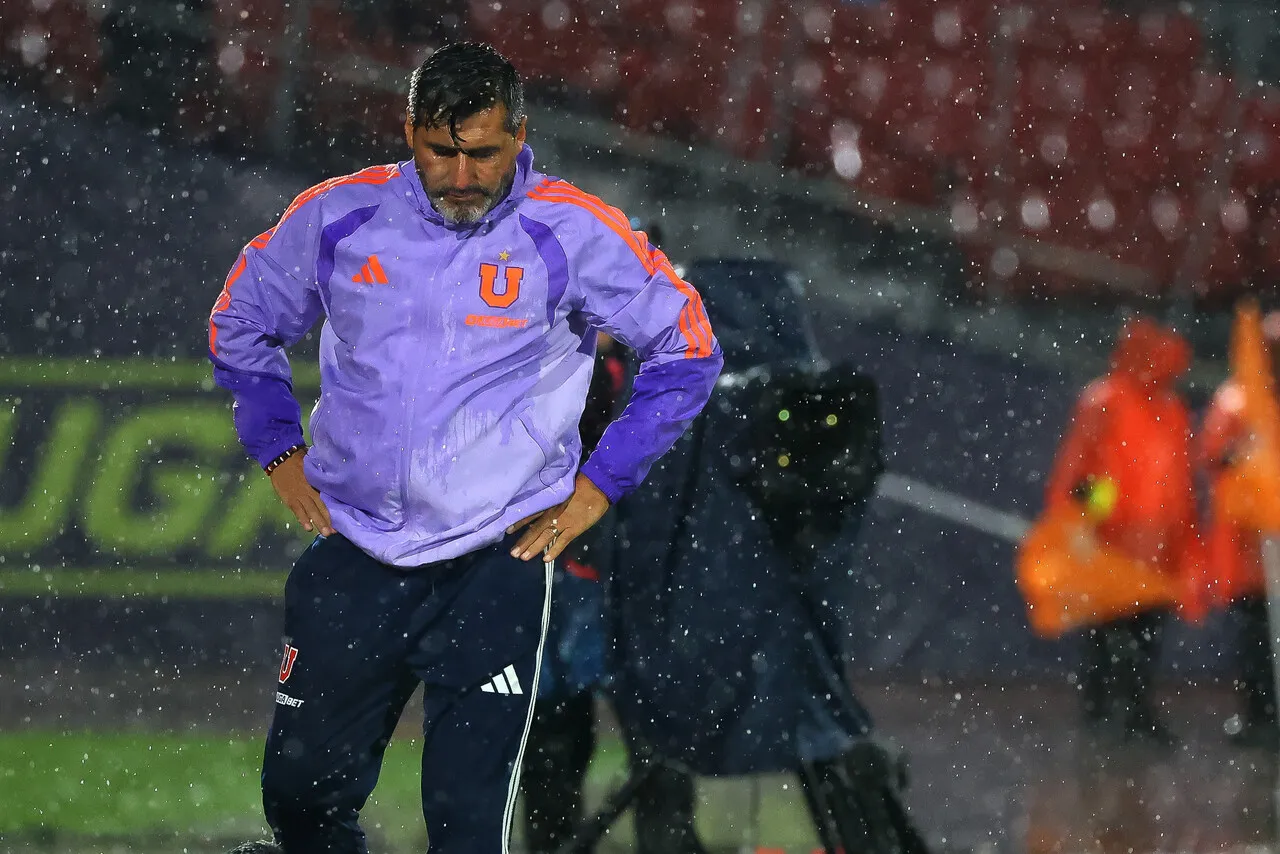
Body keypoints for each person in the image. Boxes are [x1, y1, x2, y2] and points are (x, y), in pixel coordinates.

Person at [209, 42, 723, 854]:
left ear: (520, 135)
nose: (459, 176)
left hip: (496, 564)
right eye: (439, 152)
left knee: (469, 826)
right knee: (300, 802)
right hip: (355, 551)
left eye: (482, 153)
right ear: (409, 132)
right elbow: (240, 320)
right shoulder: (338, 216)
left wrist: (601, 485)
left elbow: (689, 347)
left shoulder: (573, 230)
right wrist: (277, 446)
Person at [1044, 317, 1196, 747]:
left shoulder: (1168, 409)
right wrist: (1090, 521)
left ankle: (1129, 713)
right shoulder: (1107, 401)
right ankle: (1107, 713)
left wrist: (1178, 535)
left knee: (1142, 635)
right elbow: (1081, 470)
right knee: (1111, 632)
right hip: (1115, 541)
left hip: (1154, 544)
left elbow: (1175, 480)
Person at [1198, 312, 1280, 748]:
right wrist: (1241, 458)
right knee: (1257, 639)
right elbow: (1214, 459)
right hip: (1255, 549)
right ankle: (1260, 714)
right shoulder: (1239, 402)